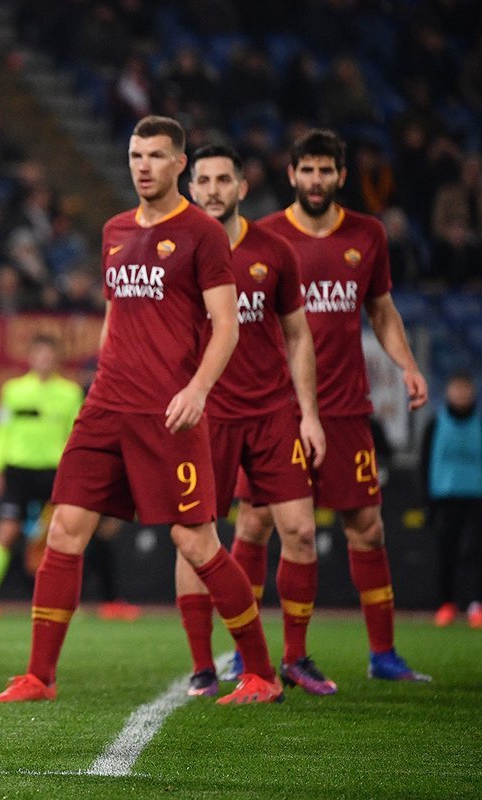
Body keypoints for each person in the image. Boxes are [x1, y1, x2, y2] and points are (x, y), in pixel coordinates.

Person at [0, 115, 283, 707]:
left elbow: (226, 326)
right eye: (135, 155)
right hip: (106, 405)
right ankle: (39, 676)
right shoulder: (115, 230)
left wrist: (197, 390)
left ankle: (261, 673)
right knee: (64, 530)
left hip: (168, 411)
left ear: (180, 164)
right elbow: (119, 315)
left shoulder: (202, 233)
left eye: (155, 155)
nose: (143, 166)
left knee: (196, 542)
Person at [247, 128, 430, 681]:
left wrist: (407, 365)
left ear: (341, 176)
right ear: (292, 174)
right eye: (307, 169)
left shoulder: (367, 235)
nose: (316, 179)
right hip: (278, 408)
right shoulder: (265, 236)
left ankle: (383, 655)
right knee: (258, 524)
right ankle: (251, 650)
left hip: (346, 407)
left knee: (368, 528)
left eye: (325, 170)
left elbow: (382, 310)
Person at [175, 144, 332, 699]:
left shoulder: (275, 251)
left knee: (302, 531)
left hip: (271, 414)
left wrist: (309, 413)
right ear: (191, 187)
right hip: (204, 415)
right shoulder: (176, 250)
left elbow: (298, 335)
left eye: (224, 179)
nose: (213, 189)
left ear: (242, 187)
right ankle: (202, 665)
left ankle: (294, 657)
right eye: (204, 180)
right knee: (195, 537)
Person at [0, 334, 83, 618]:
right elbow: (1, 430)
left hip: (54, 472)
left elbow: (75, 435)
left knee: (63, 536)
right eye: (39, 354)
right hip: (18, 471)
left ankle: (62, 603)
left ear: (57, 359)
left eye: (49, 354)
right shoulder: (14, 390)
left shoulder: (70, 393)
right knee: (5, 532)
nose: (44, 359)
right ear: (31, 357)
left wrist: (74, 472)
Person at [422, 371, 482, 627]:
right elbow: (424, 462)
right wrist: (426, 500)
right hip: (445, 498)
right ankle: (446, 604)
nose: (461, 395)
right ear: (448, 392)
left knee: (476, 552)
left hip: (476, 497)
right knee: (447, 551)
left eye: (465, 389)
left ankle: (476, 604)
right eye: (457, 389)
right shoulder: (436, 423)